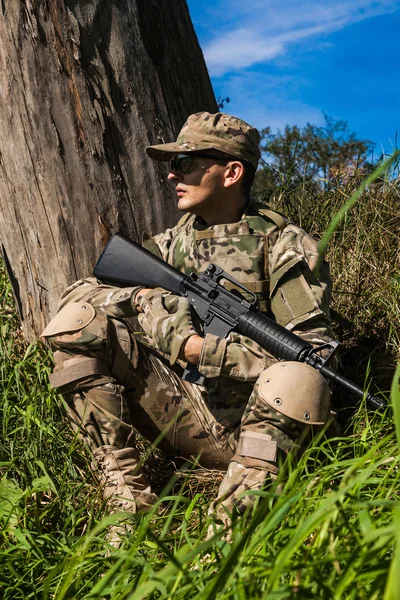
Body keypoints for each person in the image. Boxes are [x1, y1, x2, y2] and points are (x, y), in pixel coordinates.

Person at [42, 112, 336, 537]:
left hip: (264, 427)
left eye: (187, 163)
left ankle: (226, 538)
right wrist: (146, 301)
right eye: (171, 164)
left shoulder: (285, 245)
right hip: (186, 413)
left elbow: (318, 355)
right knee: (76, 323)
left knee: (297, 378)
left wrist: (201, 349)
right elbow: (75, 294)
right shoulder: (166, 245)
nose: (171, 175)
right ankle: (128, 506)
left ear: (232, 171)